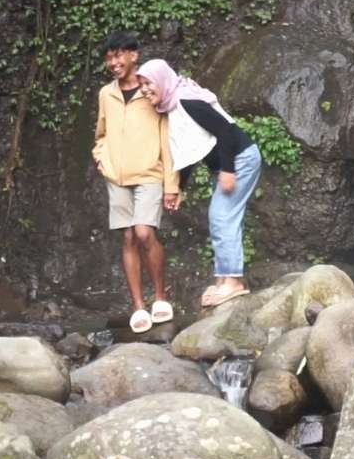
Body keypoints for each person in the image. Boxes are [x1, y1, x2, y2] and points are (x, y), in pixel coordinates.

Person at [135, 59, 262, 307]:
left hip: (240, 159)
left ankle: (233, 281)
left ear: (161, 80)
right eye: (141, 84)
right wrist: (180, 188)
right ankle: (225, 278)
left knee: (222, 215)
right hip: (233, 161)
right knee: (222, 215)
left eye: (148, 82)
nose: (144, 89)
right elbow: (191, 150)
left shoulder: (186, 101)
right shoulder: (173, 106)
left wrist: (227, 169)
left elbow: (225, 130)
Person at [92, 33, 180, 332]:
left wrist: (172, 183)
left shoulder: (151, 90)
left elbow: (168, 139)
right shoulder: (106, 94)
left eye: (118, 56)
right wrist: (101, 157)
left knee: (144, 233)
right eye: (108, 58)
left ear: (133, 56)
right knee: (128, 237)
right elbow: (100, 133)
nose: (113, 63)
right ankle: (139, 306)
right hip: (116, 176)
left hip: (150, 174)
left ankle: (160, 297)